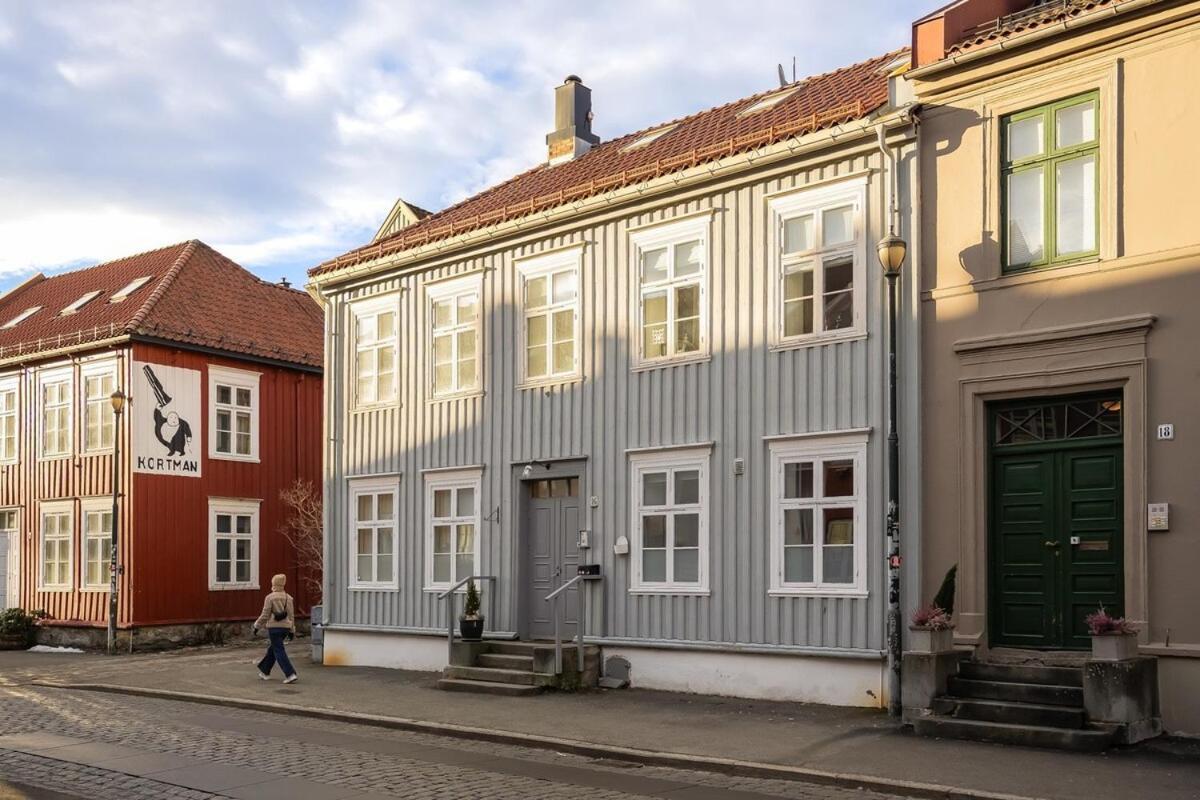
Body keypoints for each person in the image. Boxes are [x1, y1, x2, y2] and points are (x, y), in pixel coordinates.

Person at [253, 573, 298, 684]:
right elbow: (291, 616)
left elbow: (265, 614)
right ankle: (265, 671)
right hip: (285, 628)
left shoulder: (270, 597)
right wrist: (292, 630)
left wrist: (256, 626)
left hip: (274, 628)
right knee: (273, 649)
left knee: (278, 650)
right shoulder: (289, 598)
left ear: (274, 584)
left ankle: (290, 674)